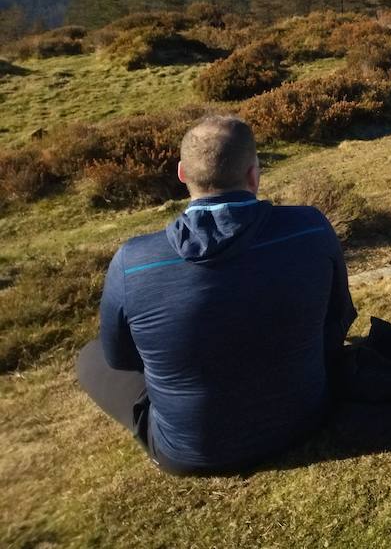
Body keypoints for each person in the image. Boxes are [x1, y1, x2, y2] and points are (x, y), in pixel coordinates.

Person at [75, 115, 356, 475]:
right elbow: (338, 320)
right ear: (254, 174)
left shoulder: (133, 261)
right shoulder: (311, 227)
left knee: (91, 357)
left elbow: (121, 358)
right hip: (307, 419)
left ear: (181, 173)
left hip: (190, 454)